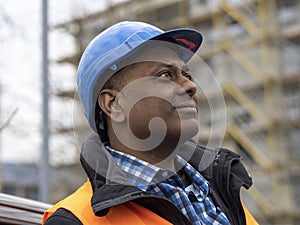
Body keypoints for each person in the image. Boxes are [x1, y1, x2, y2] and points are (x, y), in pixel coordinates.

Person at [42, 21, 258, 225]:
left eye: (187, 75)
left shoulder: (224, 188)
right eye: (165, 75)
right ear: (114, 104)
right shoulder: (77, 220)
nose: (191, 86)